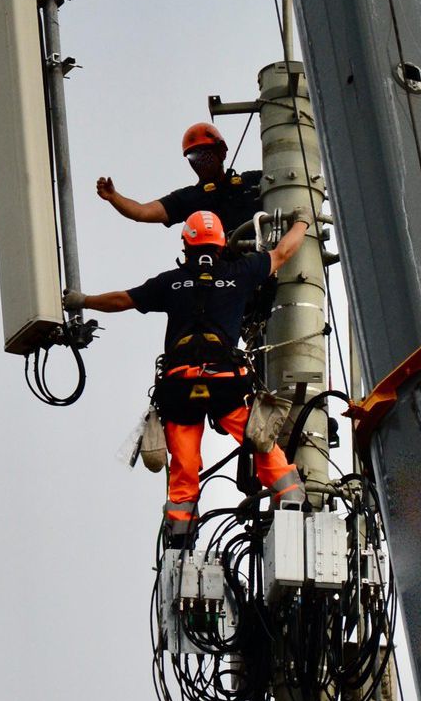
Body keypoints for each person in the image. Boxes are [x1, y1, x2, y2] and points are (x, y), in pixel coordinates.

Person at [63, 209, 309, 547]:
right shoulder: (241, 271)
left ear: (186, 244)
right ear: (222, 243)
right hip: (225, 382)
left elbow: (122, 300)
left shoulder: (170, 282)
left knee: (184, 465)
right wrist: (302, 221)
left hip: (179, 388)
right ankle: (292, 500)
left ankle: (180, 537)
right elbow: (284, 252)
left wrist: (83, 301)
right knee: (261, 442)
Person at [95, 122, 263, 237]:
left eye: (204, 153)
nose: (200, 161)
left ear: (222, 152)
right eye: (193, 156)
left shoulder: (252, 181)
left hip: (264, 264)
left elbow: (287, 183)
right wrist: (113, 197)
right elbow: (141, 212)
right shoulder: (189, 198)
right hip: (224, 275)